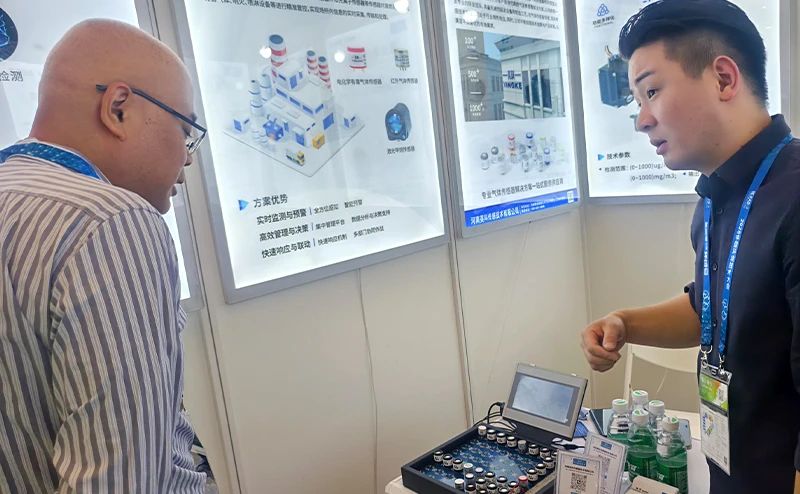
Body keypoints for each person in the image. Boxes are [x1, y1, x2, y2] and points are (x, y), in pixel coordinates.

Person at [579, 1, 800, 493]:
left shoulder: (794, 197)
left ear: (723, 78)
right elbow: (715, 310)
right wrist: (626, 324)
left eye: (652, 91)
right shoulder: (714, 200)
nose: (641, 120)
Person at [0, 19, 207, 492]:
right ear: (118, 109)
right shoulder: (111, 222)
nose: (188, 157)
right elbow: (120, 481)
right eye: (185, 130)